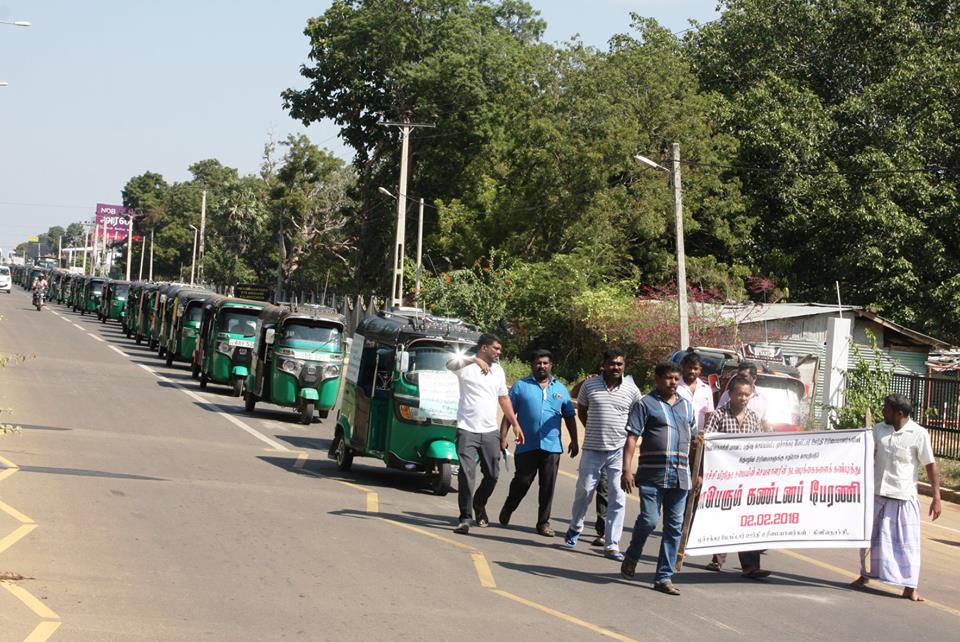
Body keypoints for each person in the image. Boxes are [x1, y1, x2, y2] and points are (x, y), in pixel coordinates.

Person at [851, 394, 941, 601]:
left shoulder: (919, 434)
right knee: (869, 540)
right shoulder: (879, 430)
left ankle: (910, 587)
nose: (883, 411)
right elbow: (865, 453)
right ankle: (864, 576)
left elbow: (930, 465)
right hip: (877, 495)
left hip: (903, 497)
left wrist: (937, 497)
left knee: (906, 545)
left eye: (887, 409)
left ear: (899, 413)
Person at [620, 361, 697, 595]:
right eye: (668, 378)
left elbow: (695, 441)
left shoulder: (686, 407)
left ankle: (664, 577)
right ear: (657, 379)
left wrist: (698, 470)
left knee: (674, 528)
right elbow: (632, 437)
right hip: (652, 474)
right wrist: (626, 470)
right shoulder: (645, 404)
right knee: (649, 520)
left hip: (680, 477)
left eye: (676, 378)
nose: (673, 382)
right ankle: (633, 554)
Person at [563, 346, 640, 561]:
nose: (615, 367)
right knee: (584, 491)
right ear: (603, 365)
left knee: (618, 497)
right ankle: (575, 526)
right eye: (612, 363)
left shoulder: (632, 390)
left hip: (618, 450)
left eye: (619, 364)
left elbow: (635, 418)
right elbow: (582, 410)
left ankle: (612, 545)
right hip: (592, 449)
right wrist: (593, 429)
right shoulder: (590, 385)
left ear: (624, 366)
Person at [447, 333, 523, 535]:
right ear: (483, 348)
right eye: (496, 348)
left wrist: (515, 424)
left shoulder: (498, 371)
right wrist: (474, 360)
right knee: (466, 475)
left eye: (499, 349)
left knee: (492, 475)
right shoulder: (466, 367)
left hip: (489, 431)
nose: (499, 352)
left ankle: (479, 504)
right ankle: (465, 518)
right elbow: (449, 364)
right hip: (467, 430)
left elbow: (504, 399)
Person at [498, 350, 579, 537]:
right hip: (526, 444)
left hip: (551, 447)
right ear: (532, 365)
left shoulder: (560, 389)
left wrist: (574, 441)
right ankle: (509, 506)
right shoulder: (520, 386)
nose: (541, 366)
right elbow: (509, 414)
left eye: (545, 363)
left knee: (548, 486)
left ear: (551, 365)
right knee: (522, 482)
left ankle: (543, 523)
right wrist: (503, 437)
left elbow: (569, 416)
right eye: (538, 363)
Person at [703, 375, 771, 578]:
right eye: (739, 394)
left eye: (746, 395)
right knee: (723, 518)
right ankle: (718, 558)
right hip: (722, 478)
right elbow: (707, 444)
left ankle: (751, 567)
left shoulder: (752, 418)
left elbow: (758, 446)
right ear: (730, 394)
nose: (743, 398)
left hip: (746, 478)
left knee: (746, 522)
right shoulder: (718, 416)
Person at [717, 362, 768, 429]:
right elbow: (717, 417)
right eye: (738, 376)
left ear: (754, 378)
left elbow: (764, 423)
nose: (740, 379)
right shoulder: (728, 394)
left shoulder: (761, 398)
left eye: (743, 376)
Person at [677, 349, 715, 433]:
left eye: (695, 368)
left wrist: (704, 434)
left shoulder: (706, 389)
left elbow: (709, 414)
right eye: (689, 368)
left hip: (698, 436)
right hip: (679, 435)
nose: (692, 371)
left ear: (700, 369)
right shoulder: (675, 386)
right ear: (683, 367)